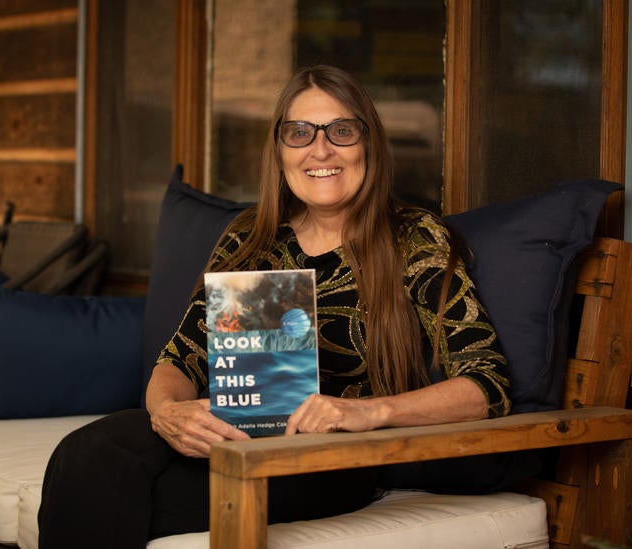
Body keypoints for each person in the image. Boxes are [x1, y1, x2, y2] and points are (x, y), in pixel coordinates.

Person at [37, 65, 511, 548]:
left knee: (107, 494)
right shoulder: (252, 237)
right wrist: (168, 415)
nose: (320, 149)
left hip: (326, 459)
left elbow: (485, 385)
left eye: (341, 131)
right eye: (299, 133)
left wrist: (368, 412)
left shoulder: (413, 237)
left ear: (369, 143)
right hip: (233, 437)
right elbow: (179, 359)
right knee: (86, 453)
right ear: (280, 151)